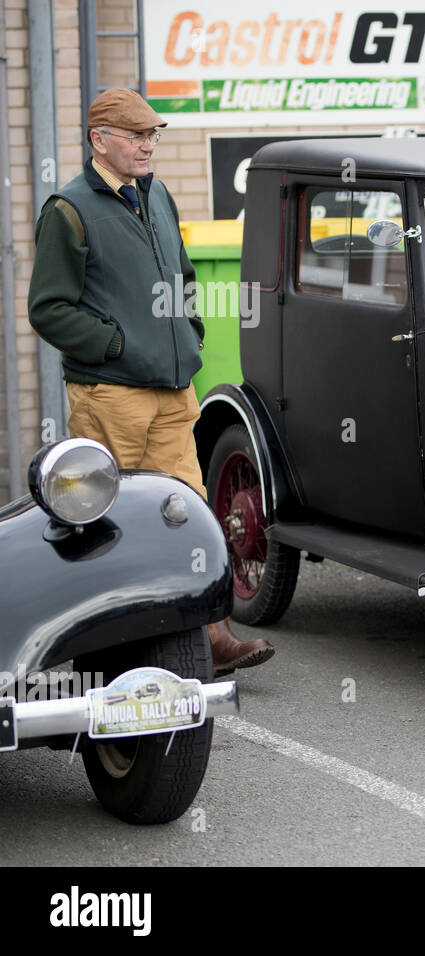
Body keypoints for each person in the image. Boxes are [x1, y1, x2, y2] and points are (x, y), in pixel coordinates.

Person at [28, 88, 274, 677]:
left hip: (172, 394)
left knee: (187, 516)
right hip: (110, 395)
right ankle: (109, 652)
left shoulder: (157, 193)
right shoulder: (68, 209)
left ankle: (213, 635)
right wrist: (116, 345)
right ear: (99, 141)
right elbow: (49, 309)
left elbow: (183, 274)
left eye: (152, 135)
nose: (147, 145)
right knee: (110, 524)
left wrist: (188, 332)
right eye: (136, 135)